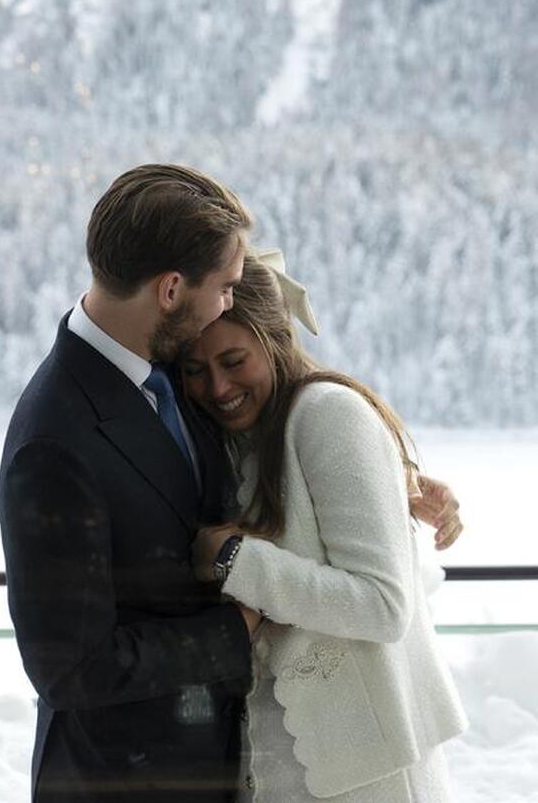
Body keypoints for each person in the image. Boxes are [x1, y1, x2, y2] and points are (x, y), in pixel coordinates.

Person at [0, 164, 260, 803]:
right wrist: (234, 633)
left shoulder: (170, 359)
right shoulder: (53, 441)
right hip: (117, 781)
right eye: (225, 288)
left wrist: (394, 473)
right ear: (171, 288)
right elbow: (69, 667)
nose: (232, 302)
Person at [183, 250, 468, 803]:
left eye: (234, 360)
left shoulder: (328, 414)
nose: (217, 387)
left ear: (274, 339)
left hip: (369, 773)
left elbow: (382, 605)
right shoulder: (237, 434)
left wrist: (232, 559)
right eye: (196, 370)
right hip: (288, 767)